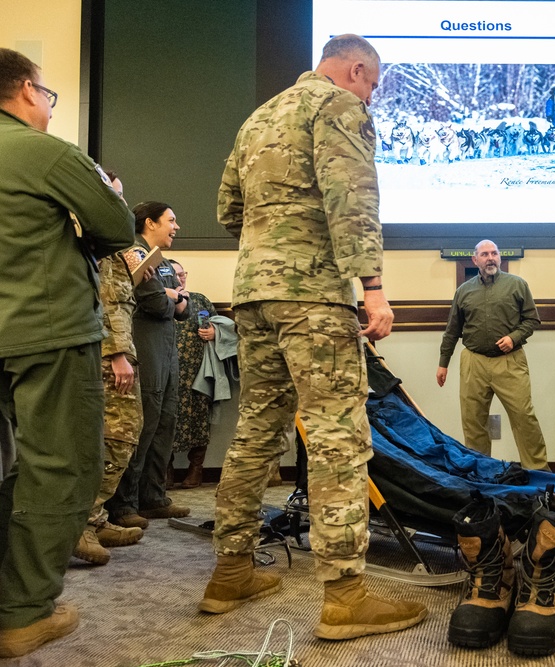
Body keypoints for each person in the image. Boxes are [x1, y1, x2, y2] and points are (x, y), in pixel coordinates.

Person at [201, 34, 427, 640]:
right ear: (356, 69)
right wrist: (373, 287)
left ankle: (230, 572)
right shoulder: (340, 107)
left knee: (256, 430)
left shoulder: (260, 116)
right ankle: (346, 597)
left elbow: (228, 208)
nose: (372, 97)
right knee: (338, 437)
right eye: (373, 84)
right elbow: (352, 199)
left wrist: (271, 245)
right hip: (313, 297)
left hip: (252, 293)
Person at [0, 48, 134, 658]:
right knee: (60, 468)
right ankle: (22, 613)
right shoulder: (44, 152)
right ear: (28, 90)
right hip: (45, 333)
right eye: (48, 95)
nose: (48, 106)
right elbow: (117, 229)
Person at [72, 172, 147, 566]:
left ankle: (95, 517)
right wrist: (117, 353)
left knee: (121, 434)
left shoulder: (113, 245)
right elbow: (101, 300)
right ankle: (80, 523)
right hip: (105, 354)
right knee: (114, 436)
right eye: (112, 195)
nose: (118, 202)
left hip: (116, 349)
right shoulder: (92, 240)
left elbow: (120, 299)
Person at [106, 202, 191, 528]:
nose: (176, 226)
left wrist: (174, 297)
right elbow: (156, 302)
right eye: (171, 220)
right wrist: (173, 298)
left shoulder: (163, 262)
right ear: (150, 223)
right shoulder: (135, 254)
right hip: (146, 349)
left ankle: (153, 497)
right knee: (142, 425)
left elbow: (183, 307)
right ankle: (124, 504)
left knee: (164, 424)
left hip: (167, 350)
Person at [437, 240, 549, 470]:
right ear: (475, 260)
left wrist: (514, 338)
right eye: (485, 254)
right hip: (473, 363)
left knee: (524, 418)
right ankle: (481, 473)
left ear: (500, 257)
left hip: (510, 362)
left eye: (494, 253)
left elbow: (532, 320)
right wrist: (443, 364)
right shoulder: (464, 291)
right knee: (473, 422)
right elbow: (452, 331)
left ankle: (539, 471)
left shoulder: (517, 285)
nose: (490, 258)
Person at [167, 260, 218, 489]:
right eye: (175, 275)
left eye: (183, 273)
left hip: (198, 372)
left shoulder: (200, 300)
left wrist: (215, 332)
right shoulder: (160, 299)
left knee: (200, 421)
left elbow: (219, 323)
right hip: (169, 371)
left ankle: (195, 470)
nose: (181, 278)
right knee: (166, 422)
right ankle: (164, 472)